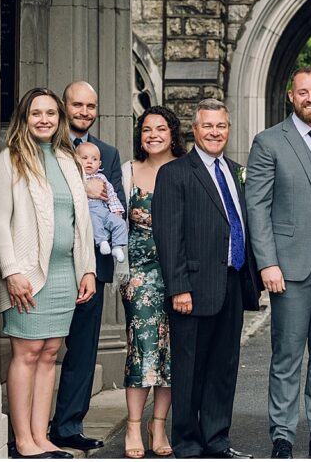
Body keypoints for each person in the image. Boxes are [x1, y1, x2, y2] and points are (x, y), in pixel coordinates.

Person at [245, 66, 311, 460]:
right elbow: (256, 206)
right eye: (303, 92)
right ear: (291, 96)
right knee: (287, 354)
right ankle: (283, 435)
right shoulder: (269, 141)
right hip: (288, 267)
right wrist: (267, 263)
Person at [153, 98, 262, 459]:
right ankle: (186, 442)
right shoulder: (175, 173)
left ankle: (217, 440)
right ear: (194, 130)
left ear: (228, 130)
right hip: (193, 288)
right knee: (189, 368)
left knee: (223, 367)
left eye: (221, 126)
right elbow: (169, 236)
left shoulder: (234, 170)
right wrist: (179, 287)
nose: (215, 133)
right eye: (208, 126)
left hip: (231, 282)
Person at [0, 88, 96, 459]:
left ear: (59, 119)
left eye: (51, 113)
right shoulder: (10, 160)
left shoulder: (67, 159)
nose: (44, 119)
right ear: (24, 118)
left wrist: (86, 268)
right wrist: (11, 271)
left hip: (63, 273)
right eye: (36, 113)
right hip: (28, 274)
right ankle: (23, 440)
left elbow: (80, 222)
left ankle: (42, 436)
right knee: (26, 352)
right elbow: (0, 221)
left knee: (51, 351)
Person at [49, 81, 127, 452]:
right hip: (50, 263)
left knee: (82, 350)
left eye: (90, 106)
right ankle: (30, 427)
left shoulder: (107, 154)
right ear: (65, 106)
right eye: (77, 105)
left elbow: (115, 203)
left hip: (90, 268)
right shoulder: (47, 143)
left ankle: (67, 425)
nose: (83, 112)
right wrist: (83, 184)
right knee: (43, 348)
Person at [119, 106, 185, 458]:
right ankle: (133, 425)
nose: (153, 135)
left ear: (173, 133)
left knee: (172, 352)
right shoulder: (128, 171)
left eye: (161, 128)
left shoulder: (185, 171)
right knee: (143, 348)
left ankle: (158, 424)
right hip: (139, 274)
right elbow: (115, 222)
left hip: (178, 275)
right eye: (146, 129)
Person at [75, 142, 128, 264]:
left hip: (104, 209)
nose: (89, 162)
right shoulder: (76, 178)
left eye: (94, 159)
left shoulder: (102, 178)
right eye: (85, 158)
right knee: (94, 221)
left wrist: (116, 211)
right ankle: (102, 241)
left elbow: (112, 195)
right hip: (89, 210)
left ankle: (117, 247)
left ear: (99, 164)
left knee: (120, 223)